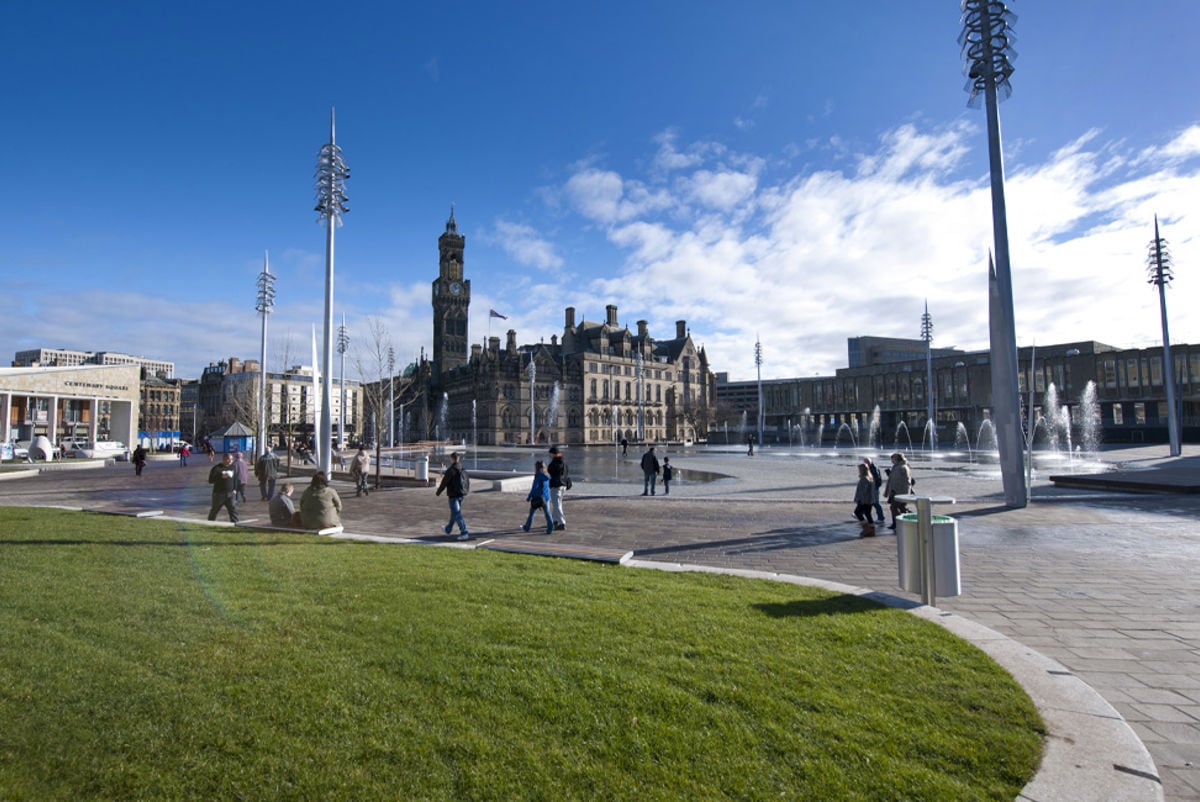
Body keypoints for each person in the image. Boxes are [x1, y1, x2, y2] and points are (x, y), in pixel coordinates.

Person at [435, 452, 470, 540]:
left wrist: (438, 492)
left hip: (453, 495)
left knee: (457, 514)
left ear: (452, 459)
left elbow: (444, 482)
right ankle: (448, 529)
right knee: (454, 513)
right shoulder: (462, 468)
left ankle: (464, 532)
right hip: (461, 494)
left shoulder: (451, 470)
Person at [521, 460, 554, 535]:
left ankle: (527, 527)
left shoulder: (538, 475)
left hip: (538, 497)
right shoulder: (547, 475)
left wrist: (529, 497)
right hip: (546, 497)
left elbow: (534, 487)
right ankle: (550, 528)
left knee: (531, 513)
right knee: (548, 513)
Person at [884, 452, 915, 531]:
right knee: (901, 507)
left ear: (897, 459)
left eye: (893, 459)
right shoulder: (897, 466)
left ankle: (899, 522)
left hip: (899, 491)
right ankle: (900, 521)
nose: (891, 461)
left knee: (894, 507)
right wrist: (890, 474)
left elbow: (898, 480)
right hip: (898, 491)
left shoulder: (901, 467)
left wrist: (890, 475)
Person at [207, 453, 239, 523]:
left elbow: (235, 479)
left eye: (231, 459)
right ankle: (210, 522)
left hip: (230, 494)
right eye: (229, 459)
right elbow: (210, 480)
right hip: (219, 494)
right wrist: (220, 477)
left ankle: (235, 523)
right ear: (224, 459)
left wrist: (235, 489)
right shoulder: (217, 468)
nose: (231, 461)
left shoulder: (233, 467)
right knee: (215, 510)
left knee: (233, 510)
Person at [547, 446, 569, 531]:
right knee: (558, 503)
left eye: (550, 454)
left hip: (556, 486)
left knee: (556, 505)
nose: (549, 456)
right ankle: (554, 520)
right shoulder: (563, 462)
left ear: (553, 454)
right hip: (563, 485)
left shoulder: (554, 463)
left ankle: (562, 522)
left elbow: (550, 474)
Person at [853, 463, 878, 537]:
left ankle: (866, 528)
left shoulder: (864, 479)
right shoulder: (870, 477)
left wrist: (860, 500)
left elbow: (863, 491)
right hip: (870, 500)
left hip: (864, 500)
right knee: (868, 514)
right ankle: (872, 529)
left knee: (857, 513)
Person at [863, 457, 885, 523]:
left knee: (875, 503)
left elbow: (875, 479)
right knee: (869, 502)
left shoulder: (873, 469)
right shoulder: (871, 468)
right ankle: (861, 514)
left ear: (870, 462)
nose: (865, 463)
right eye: (865, 462)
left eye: (866, 462)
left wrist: (874, 487)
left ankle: (881, 518)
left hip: (874, 488)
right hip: (872, 488)